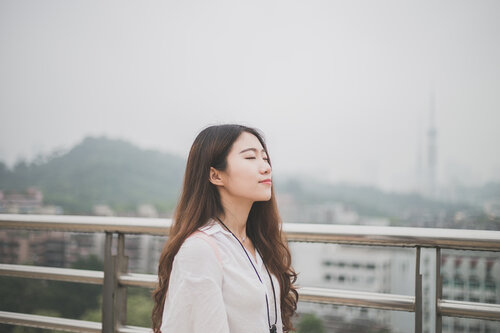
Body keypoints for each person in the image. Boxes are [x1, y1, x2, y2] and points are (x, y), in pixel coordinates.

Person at [152, 124, 298, 333]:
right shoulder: (201, 249)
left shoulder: (258, 242)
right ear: (215, 175)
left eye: (265, 158)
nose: (266, 167)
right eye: (250, 158)